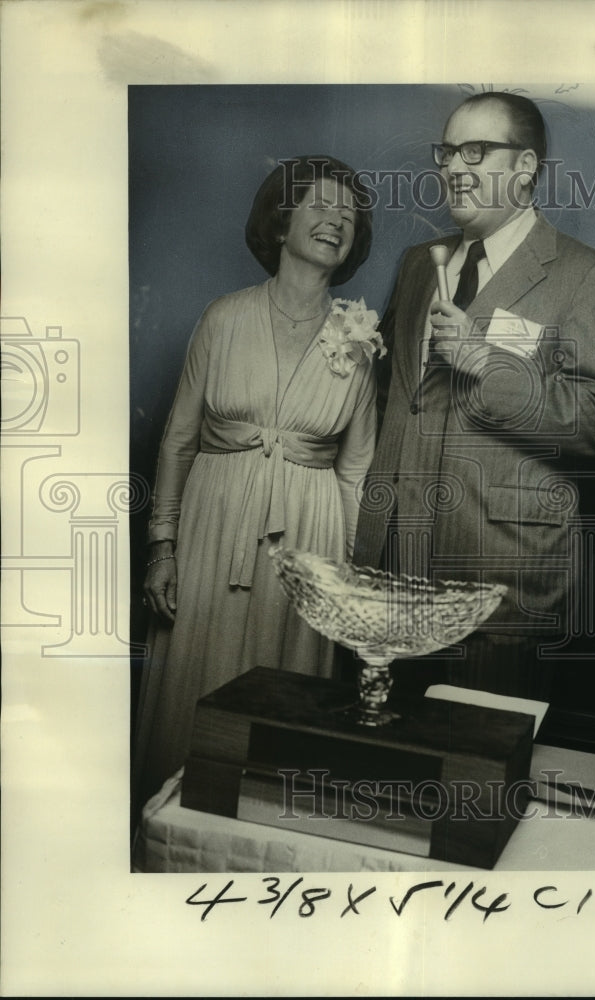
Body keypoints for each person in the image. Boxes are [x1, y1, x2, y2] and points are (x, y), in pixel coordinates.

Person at [353, 92, 595, 700]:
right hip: (393, 565)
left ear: (525, 168)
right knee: (384, 772)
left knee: (478, 783)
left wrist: (486, 363)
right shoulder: (416, 266)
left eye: (476, 151)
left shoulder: (584, 274)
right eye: (448, 151)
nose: (453, 167)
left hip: (502, 576)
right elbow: (399, 400)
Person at [132, 156, 381, 813]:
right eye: (321, 205)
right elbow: (178, 439)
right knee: (193, 685)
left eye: (349, 215)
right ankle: (168, 834)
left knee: (285, 701)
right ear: (281, 219)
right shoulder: (223, 317)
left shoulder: (359, 342)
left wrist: (346, 583)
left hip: (308, 541)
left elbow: (356, 469)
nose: (336, 221)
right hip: (214, 523)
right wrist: (163, 546)